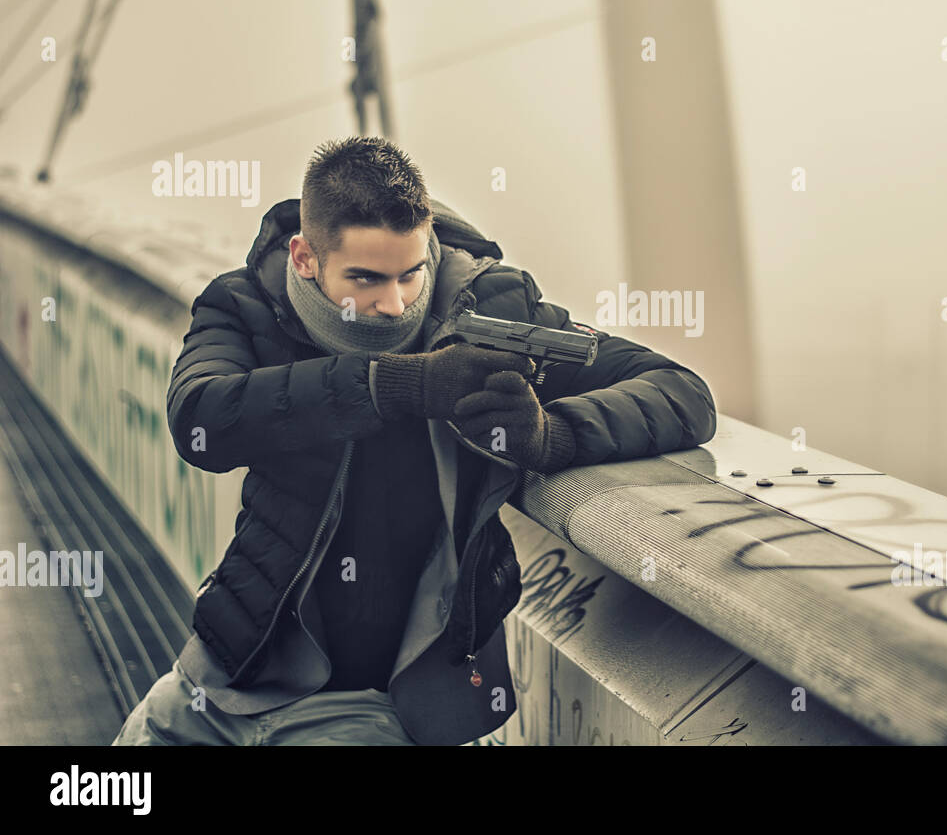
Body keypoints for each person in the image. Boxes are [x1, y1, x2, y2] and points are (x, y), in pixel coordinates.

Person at [112, 136, 716, 745]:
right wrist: (395, 386)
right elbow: (202, 420)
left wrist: (552, 435)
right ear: (303, 257)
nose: (394, 304)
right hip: (224, 671)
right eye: (366, 279)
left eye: (411, 274)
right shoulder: (246, 304)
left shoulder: (492, 310)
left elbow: (682, 391)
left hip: (372, 705)